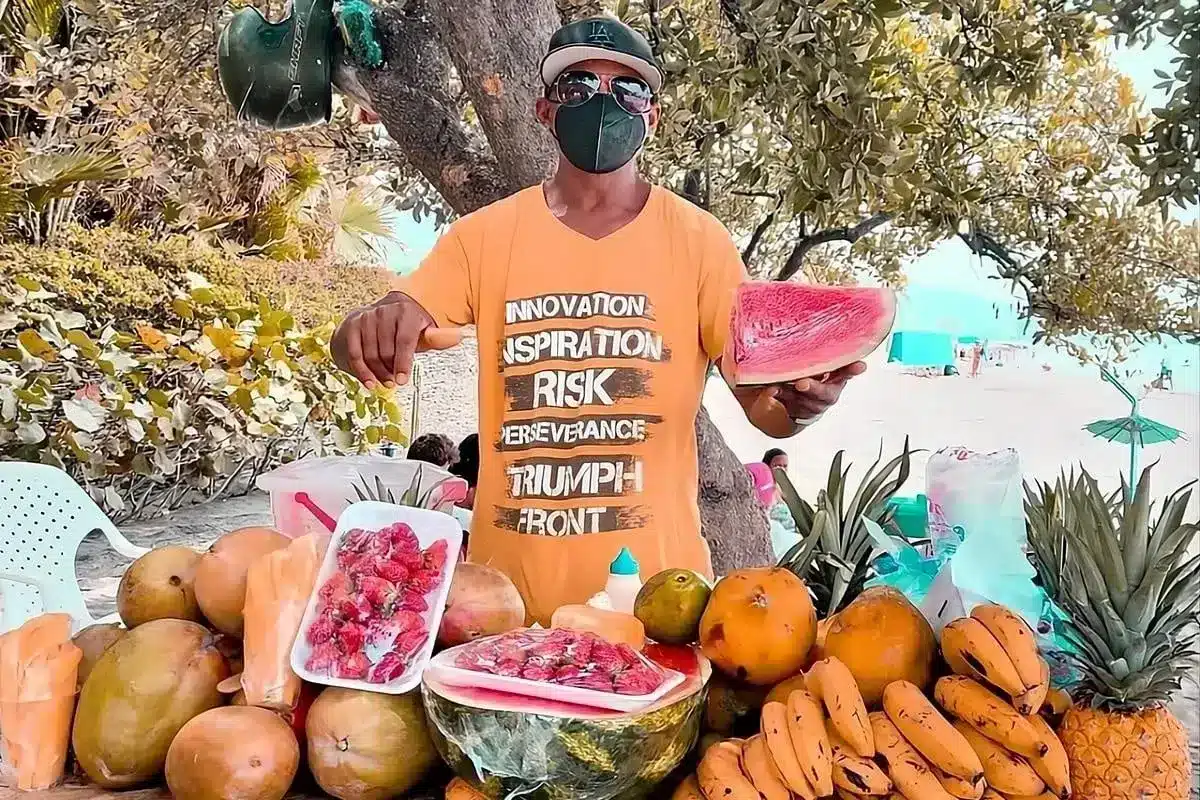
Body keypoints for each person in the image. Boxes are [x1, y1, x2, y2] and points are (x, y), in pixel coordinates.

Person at [330, 16, 863, 623]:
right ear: (545, 110)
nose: (603, 102)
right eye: (578, 85)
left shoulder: (700, 242)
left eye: (628, 89)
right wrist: (359, 334)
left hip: (659, 605)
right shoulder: (481, 238)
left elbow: (763, 408)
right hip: (505, 607)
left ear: (651, 117)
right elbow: (389, 320)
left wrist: (801, 405)